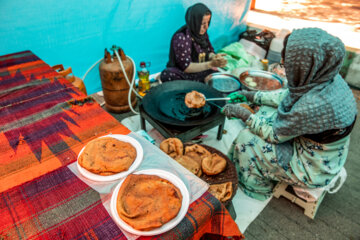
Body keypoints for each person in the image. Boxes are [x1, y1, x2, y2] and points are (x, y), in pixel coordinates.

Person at [222, 28, 357, 200]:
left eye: (287, 64)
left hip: (313, 168)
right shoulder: (327, 79)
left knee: (247, 140)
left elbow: (274, 135)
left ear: (305, 65)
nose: (283, 64)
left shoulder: (314, 105)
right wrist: (252, 96)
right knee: (267, 112)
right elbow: (286, 95)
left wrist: (244, 115)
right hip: (326, 154)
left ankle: (256, 187)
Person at [160, 3, 227, 83]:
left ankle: (199, 83)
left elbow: (208, 51)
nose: (206, 27)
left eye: (208, 22)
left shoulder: (201, 33)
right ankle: (197, 83)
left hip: (200, 70)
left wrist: (214, 57)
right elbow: (186, 67)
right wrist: (210, 64)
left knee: (219, 78)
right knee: (167, 74)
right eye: (202, 23)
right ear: (194, 22)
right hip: (185, 74)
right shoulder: (181, 37)